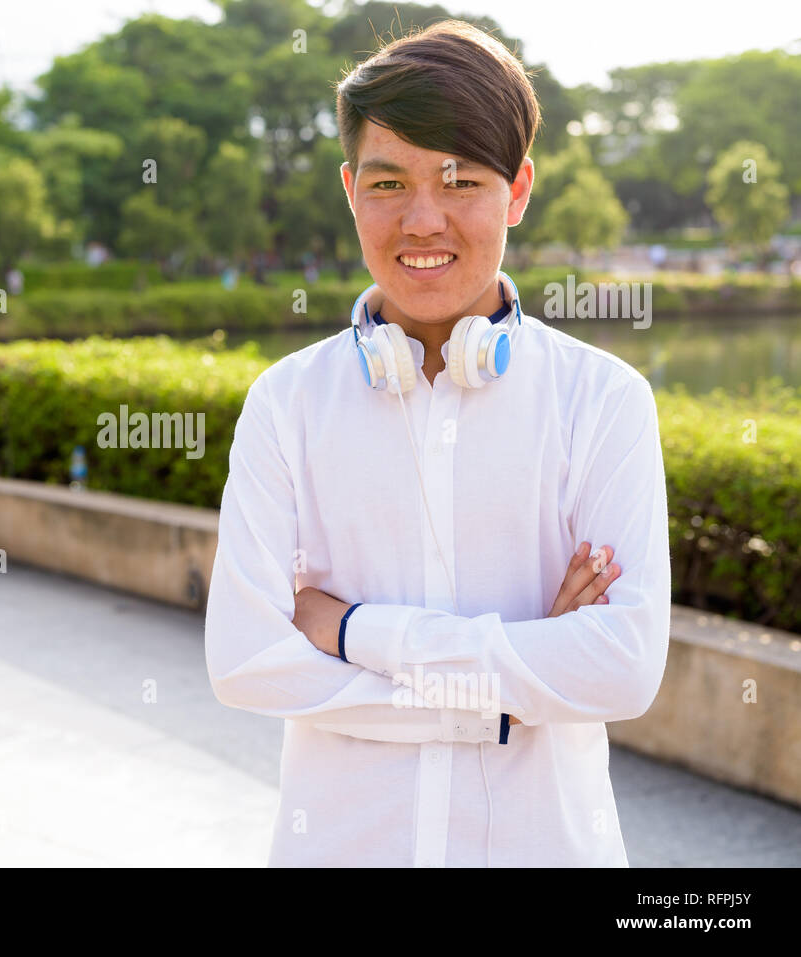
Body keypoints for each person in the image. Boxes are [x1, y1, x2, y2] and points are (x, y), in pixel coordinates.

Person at [204, 20, 671, 867]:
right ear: (350, 190)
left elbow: (622, 669)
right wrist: (511, 692)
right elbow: (245, 660)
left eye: (459, 180)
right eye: (389, 183)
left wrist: (349, 631)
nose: (422, 220)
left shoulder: (604, 402)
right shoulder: (286, 404)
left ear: (518, 189)